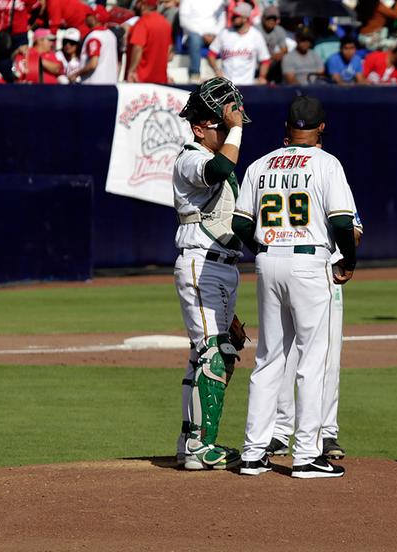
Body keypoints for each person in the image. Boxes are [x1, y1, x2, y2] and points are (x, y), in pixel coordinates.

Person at [233, 95, 358, 479]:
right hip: (308, 261)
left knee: (269, 358)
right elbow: (340, 222)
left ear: (286, 128)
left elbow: (240, 224)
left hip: (268, 258)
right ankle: (306, 455)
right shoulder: (326, 163)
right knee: (312, 359)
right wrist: (348, 262)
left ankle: (254, 453)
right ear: (322, 127)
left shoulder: (261, 164)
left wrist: (263, 252)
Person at [173, 77, 249, 471]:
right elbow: (219, 167)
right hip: (201, 262)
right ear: (199, 127)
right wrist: (233, 127)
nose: (230, 130)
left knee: (221, 354)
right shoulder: (190, 157)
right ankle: (201, 447)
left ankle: (192, 442)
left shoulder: (210, 156)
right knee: (210, 355)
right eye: (220, 125)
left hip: (220, 268)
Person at [268, 217, 365, 461]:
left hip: (323, 270)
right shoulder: (275, 179)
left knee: (327, 356)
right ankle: (280, 430)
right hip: (280, 267)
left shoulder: (330, 179)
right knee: (282, 353)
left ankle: (326, 431)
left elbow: (354, 232)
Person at [207, 2, 270, 85]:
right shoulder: (225, 33)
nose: (232, 18)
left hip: (247, 85)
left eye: (236, 16)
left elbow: (265, 60)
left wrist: (262, 77)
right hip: (226, 85)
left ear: (245, 18)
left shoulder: (256, 35)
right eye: (233, 15)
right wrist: (216, 70)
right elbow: (211, 54)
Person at [0, 0, 40, 82]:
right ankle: (5, 88)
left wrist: (29, 24)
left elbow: (36, 8)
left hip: (19, 35)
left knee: (21, 65)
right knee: (3, 65)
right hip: (1, 37)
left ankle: (20, 90)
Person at [179, 0, 225, 83]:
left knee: (228, 38)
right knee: (195, 40)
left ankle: (226, 74)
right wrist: (203, 34)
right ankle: (195, 74)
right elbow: (183, 21)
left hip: (214, 35)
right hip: (194, 35)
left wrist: (214, 33)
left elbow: (222, 19)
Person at [127, 0, 172, 83]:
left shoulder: (142, 22)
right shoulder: (166, 23)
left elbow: (137, 48)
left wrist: (131, 70)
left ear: (143, 5)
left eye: (138, 2)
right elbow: (169, 51)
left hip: (140, 79)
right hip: (161, 80)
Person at [71, 12, 119, 84]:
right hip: (111, 83)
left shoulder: (94, 36)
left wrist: (75, 74)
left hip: (95, 85)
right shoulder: (111, 34)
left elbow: (93, 64)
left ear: (94, 19)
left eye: (89, 16)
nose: (86, 18)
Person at [259, 6, 288, 83]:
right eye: (269, 18)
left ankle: (278, 84)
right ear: (263, 18)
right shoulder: (256, 29)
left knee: (285, 59)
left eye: (274, 19)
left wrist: (278, 55)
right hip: (256, 62)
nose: (271, 21)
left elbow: (284, 49)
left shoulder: (279, 30)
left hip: (271, 61)